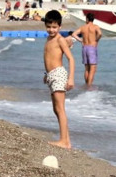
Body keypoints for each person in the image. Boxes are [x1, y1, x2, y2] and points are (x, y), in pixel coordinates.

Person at [42, 10, 75, 149]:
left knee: (60, 108)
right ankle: (66, 140)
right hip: (51, 76)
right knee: (56, 108)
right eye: (49, 26)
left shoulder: (60, 39)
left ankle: (63, 141)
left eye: (54, 27)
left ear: (60, 27)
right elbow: (49, 57)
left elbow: (71, 59)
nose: (51, 29)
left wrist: (71, 78)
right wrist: (46, 74)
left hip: (59, 74)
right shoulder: (49, 39)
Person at [72, 13, 102, 88]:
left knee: (86, 69)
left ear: (87, 19)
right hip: (92, 47)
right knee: (93, 68)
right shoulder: (95, 27)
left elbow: (74, 34)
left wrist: (80, 40)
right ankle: (89, 86)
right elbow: (100, 34)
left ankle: (86, 85)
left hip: (84, 48)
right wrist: (96, 40)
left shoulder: (83, 27)